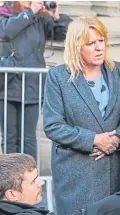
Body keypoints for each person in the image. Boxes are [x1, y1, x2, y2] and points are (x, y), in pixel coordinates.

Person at [43, 16, 120, 215]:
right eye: (91, 43)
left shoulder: (117, 71)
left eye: (101, 41)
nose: (99, 47)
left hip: (111, 170)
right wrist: (93, 140)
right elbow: (53, 125)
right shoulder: (58, 77)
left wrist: (117, 139)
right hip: (76, 173)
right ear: (76, 46)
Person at [0, 1, 71, 158]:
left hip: (32, 85)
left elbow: (65, 34)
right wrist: (30, 13)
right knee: (9, 138)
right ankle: (10, 181)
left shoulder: (40, 18)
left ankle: (30, 177)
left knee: (29, 138)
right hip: (7, 86)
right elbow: (5, 32)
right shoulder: (4, 14)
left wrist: (56, 17)